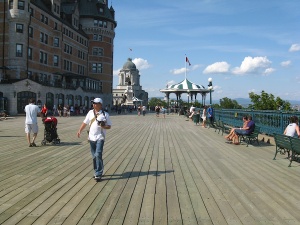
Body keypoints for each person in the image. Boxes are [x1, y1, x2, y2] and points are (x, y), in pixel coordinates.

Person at [77, 98, 112, 181]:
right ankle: (97, 170)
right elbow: (85, 122)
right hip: (91, 137)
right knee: (94, 156)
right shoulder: (90, 113)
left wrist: (103, 126)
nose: (94, 104)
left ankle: (98, 173)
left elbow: (109, 126)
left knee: (98, 154)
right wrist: (79, 130)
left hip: (100, 137)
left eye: (96, 103)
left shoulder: (105, 114)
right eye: (93, 103)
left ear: (100, 104)